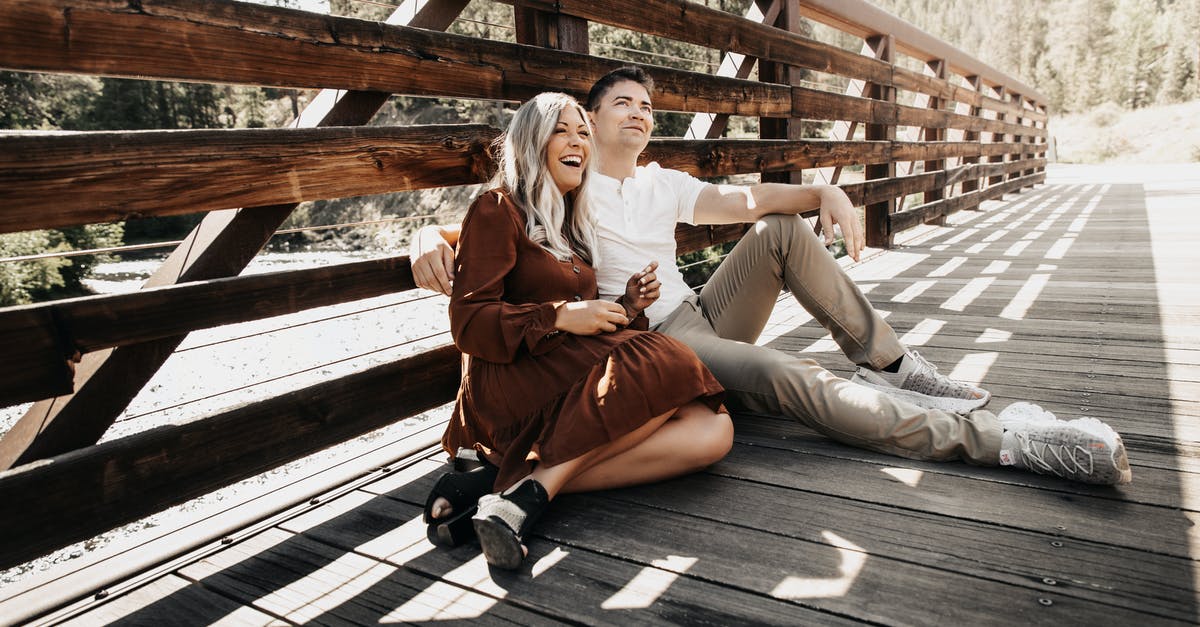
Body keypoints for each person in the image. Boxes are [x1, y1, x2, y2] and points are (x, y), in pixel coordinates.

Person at [411, 68, 1131, 487]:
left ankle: (896, 364)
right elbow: (477, 225)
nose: (639, 113)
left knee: (780, 231)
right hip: (654, 347)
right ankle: (996, 438)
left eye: (648, 107)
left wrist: (822, 193)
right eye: (622, 103)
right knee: (796, 376)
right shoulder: (564, 189)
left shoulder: (661, 181)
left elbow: (749, 201)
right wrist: (421, 239)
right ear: (584, 119)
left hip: (700, 312)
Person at [423, 92, 731, 570]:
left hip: (558, 370)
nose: (578, 142)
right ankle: (521, 484)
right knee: (668, 358)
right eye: (561, 131)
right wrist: (561, 315)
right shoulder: (497, 209)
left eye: (583, 133)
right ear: (531, 141)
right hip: (509, 382)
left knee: (713, 432)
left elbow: (583, 318)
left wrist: (627, 306)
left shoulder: (570, 223)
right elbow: (468, 323)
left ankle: (513, 489)